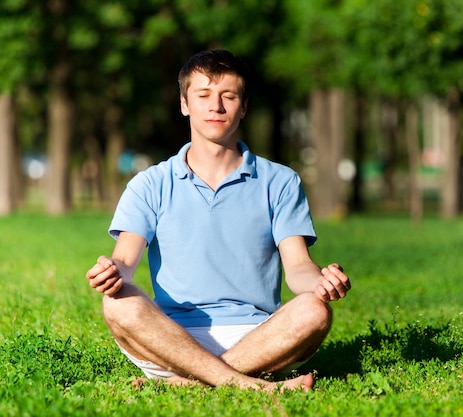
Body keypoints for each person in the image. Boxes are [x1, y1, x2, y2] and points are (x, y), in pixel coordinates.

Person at [85, 49, 351, 392]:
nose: (216, 106)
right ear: (184, 104)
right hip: (169, 337)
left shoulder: (281, 182)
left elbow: (299, 268)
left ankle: (193, 382)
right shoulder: (149, 183)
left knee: (315, 311)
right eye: (203, 95)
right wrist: (111, 272)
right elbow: (124, 261)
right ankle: (250, 385)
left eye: (229, 96)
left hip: (260, 337)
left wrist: (321, 284)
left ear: (244, 106)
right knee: (118, 304)